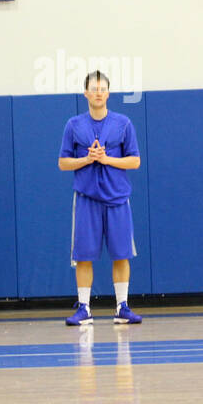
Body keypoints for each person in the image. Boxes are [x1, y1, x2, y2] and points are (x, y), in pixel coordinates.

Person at [59, 71, 143, 326]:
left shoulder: (123, 123)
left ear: (108, 93)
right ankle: (84, 308)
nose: (98, 92)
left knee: (121, 253)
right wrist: (87, 159)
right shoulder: (74, 125)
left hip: (117, 198)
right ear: (85, 93)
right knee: (83, 255)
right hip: (87, 198)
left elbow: (135, 161)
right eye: (93, 88)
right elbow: (63, 163)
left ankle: (122, 307)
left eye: (102, 88)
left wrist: (107, 159)